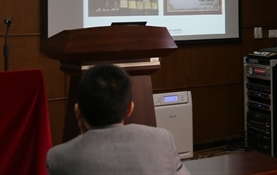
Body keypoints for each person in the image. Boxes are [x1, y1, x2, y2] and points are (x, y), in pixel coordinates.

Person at [46, 64, 189, 175]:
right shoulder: (162, 140)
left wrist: (84, 136)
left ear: (77, 111)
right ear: (130, 109)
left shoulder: (59, 157)